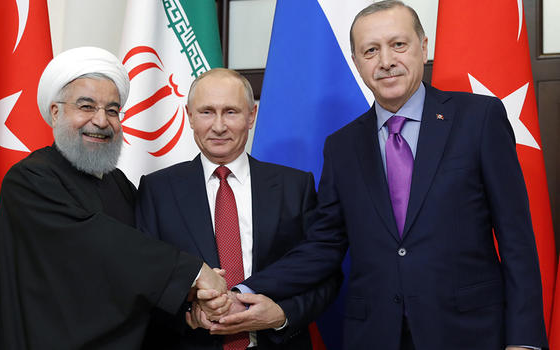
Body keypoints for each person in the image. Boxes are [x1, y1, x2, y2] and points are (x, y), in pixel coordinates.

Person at [203, 2, 548, 350]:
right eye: (371, 50)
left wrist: (525, 341)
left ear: (423, 47)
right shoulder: (342, 146)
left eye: (398, 45)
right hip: (375, 335)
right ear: (356, 61)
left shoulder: (478, 119)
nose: (385, 61)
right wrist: (245, 289)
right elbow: (324, 246)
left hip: (470, 333)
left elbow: (516, 238)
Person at [0, 46, 227, 350]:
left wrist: (188, 309)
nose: (101, 121)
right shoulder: (29, 180)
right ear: (56, 112)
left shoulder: (117, 184)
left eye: (112, 110)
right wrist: (190, 272)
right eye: (86, 106)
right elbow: (92, 246)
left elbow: (135, 271)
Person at [135, 68, 341, 349]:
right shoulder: (157, 190)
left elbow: (325, 274)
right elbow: (145, 279)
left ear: (251, 116)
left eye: (231, 112)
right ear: (190, 116)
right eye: (207, 112)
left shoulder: (295, 186)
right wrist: (188, 315)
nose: (218, 126)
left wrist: (282, 315)